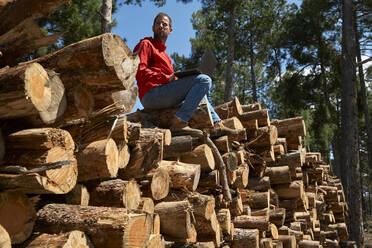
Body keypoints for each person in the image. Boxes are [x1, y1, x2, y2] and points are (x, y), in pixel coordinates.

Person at [133, 12, 223, 131]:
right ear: (153, 28)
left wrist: (176, 79)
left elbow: (168, 80)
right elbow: (139, 72)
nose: (161, 26)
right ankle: (180, 121)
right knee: (204, 80)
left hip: (164, 93)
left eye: (164, 24)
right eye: (157, 23)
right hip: (151, 95)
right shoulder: (146, 44)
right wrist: (166, 78)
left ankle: (217, 125)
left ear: (170, 30)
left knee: (200, 90)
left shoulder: (166, 57)